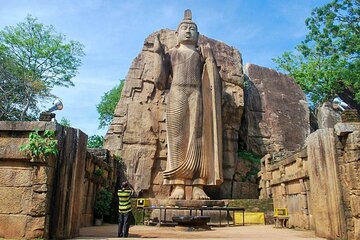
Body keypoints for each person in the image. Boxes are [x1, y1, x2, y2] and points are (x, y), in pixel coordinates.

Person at [153, 9, 223, 200]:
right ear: (177, 34)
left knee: (198, 136)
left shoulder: (201, 54)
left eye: (192, 29)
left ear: (198, 35)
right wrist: (158, 55)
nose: (188, 31)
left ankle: (199, 183)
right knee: (176, 137)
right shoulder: (172, 54)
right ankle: (178, 184)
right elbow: (160, 82)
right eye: (184, 28)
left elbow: (213, 81)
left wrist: (209, 58)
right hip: (177, 93)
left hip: (196, 94)